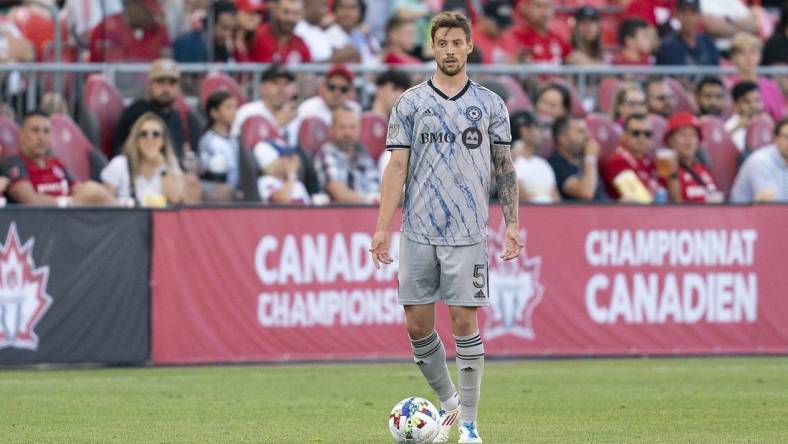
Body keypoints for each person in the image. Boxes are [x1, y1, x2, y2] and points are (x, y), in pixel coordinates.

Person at [370, 11, 522, 444]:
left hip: (468, 231)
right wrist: (382, 228)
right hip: (418, 230)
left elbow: (504, 169)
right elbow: (396, 167)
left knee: (463, 321)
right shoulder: (411, 103)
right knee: (417, 325)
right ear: (433, 47)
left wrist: (512, 224)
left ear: (469, 46)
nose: (451, 50)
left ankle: (470, 425)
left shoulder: (491, 104)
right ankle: (450, 402)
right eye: (443, 43)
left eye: (458, 42)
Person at [3, 110, 114, 206]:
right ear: (21, 134)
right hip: (39, 225)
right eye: (35, 130)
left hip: (70, 221)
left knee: (92, 188)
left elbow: (78, 188)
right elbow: (29, 200)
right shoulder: (13, 164)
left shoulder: (57, 164)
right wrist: (67, 202)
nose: (41, 137)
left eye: (46, 131)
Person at [102, 112, 200, 206]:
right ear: (136, 140)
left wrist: (162, 168)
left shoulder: (170, 166)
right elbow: (105, 201)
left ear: (163, 141)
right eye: (143, 134)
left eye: (155, 134)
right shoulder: (120, 164)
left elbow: (175, 200)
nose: (149, 138)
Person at [111, 59, 196, 160]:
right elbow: (123, 152)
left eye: (171, 84)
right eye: (160, 83)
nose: (166, 89)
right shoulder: (137, 112)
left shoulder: (175, 115)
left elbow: (179, 152)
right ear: (149, 85)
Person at [602, 113, 677, 201]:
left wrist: (673, 174)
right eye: (636, 133)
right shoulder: (616, 162)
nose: (642, 138)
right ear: (624, 135)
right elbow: (641, 200)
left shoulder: (650, 161)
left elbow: (671, 197)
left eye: (647, 134)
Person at [314, 106, 379, 203]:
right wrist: (372, 200)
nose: (347, 132)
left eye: (352, 127)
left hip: (371, 212)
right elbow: (338, 193)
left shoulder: (364, 154)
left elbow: (376, 186)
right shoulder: (326, 153)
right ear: (331, 129)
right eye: (342, 127)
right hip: (340, 214)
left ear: (359, 129)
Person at [285, 64, 361, 147]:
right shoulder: (309, 108)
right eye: (331, 87)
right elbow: (293, 140)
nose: (337, 93)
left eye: (343, 89)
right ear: (322, 87)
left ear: (351, 92)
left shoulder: (355, 109)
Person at [662, 112, 721, 203]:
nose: (688, 140)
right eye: (683, 134)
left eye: (693, 135)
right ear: (670, 140)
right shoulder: (665, 170)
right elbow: (673, 206)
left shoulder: (704, 170)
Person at [727, 32, 784, 123]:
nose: (748, 58)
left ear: (760, 56)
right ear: (733, 58)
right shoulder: (727, 86)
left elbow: (779, 119)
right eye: (742, 53)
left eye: (753, 52)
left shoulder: (772, 86)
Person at [89, 0, 171, 62]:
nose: (153, 17)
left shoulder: (158, 30)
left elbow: (167, 64)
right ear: (133, 6)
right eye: (149, 12)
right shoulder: (107, 29)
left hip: (151, 83)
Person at [730, 117, 788, 203]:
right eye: (787, 137)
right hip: (743, 214)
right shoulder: (761, 161)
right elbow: (770, 203)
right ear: (776, 138)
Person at [548, 116, 606, 202]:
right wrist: (590, 158)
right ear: (563, 138)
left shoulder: (584, 162)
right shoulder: (555, 164)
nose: (588, 136)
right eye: (580, 132)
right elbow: (586, 193)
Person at [230, 64, 297, 139]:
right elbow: (237, 144)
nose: (281, 88)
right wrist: (274, 124)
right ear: (262, 87)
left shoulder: (296, 116)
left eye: (286, 83)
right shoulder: (248, 112)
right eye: (275, 83)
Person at [510, 111, 560, 203]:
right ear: (524, 131)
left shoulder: (543, 164)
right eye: (538, 127)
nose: (542, 133)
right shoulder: (511, 163)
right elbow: (522, 200)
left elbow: (557, 201)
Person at [199, 91, 241, 202]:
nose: (233, 112)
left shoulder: (234, 138)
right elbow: (208, 173)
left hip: (235, 192)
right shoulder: (209, 140)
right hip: (217, 197)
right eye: (228, 107)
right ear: (214, 113)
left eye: (234, 107)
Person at [655, 0, 720, 66]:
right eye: (683, 12)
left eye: (693, 12)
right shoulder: (666, 46)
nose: (688, 18)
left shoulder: (708, 43)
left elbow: (716, 73)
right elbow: (662, 74)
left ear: (699, 15)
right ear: (676, 14)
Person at [173, 1, 237, 63]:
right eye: (224, 28)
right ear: (210, 24)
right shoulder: (186, 44)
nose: (229, 34)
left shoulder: (223, 47)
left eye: (232, 29)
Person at [512, 0, 571, 65]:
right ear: (527, 9)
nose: (544, 12)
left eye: (548, 6)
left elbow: (573, 56)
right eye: (538, 6)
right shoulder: (516, 35)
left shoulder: (556, 38)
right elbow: (505, 64)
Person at [254, 138, 311, 204]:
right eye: (289, 158)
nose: (294, 161)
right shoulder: (265, 181)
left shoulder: (297, 184)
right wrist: (291, 175)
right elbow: (283, 200)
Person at [324, 0, 381, 65]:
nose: (347, 13)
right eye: (342, 7)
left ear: (360, 12)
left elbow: (375, 63)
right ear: (335, 11)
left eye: (352, 8)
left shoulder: (368, 39)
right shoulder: (325, 37)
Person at [470, 0, 519, 65]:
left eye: (505, 25)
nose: (503, 29)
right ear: (485, 18)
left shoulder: (509, 37)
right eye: (499, 24)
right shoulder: (469, 37)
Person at [725, 81, 766, 153]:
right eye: (747, 102)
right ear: (736, 105)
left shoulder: (767, 123)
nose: (754, 106)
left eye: (757, 100)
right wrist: (737, 127)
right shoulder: (729, 128)